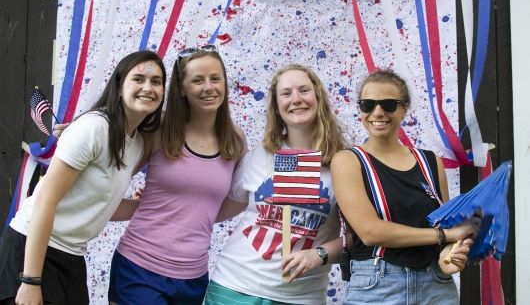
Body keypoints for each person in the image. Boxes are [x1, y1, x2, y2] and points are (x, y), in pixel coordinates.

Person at [0, 50, 166, 305]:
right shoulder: (94, 127)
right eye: (139, 79)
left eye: (156, 82)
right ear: (119, 85)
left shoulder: (136, 144)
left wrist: (144, 205)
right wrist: (31, 280)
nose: (148, 87)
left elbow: (102, 206)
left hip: (71, 257)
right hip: (31, 250)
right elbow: (46, 200)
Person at [106, 45, 246, 305]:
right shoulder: (159, 129)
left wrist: (194, 216)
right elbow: (109, 177)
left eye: (215, 78)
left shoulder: (235, 141)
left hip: (193, 277)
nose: (208, 87)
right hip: (139, 267)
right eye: (198, 80)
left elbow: (238, 199)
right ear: (181, 88)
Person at [330, 69, 479, 304]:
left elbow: (446, 225)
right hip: (377, 286)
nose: (377, 112)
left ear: (404, 109)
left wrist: (449, 254)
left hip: (436, 285)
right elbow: (370, 232)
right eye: (368, 104)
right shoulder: (348, 161)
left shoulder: (431, 162)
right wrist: (445, 236)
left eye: (388, 104)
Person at [204, 64, 345, 305]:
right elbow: (214, 212)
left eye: (304, 90)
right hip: (234, 286)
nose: (296, 99)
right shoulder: (260, 155)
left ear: (318, 97)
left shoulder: (344, 163)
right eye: (286, 93)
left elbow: (361, 239)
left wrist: (319, 254)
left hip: (300, 297)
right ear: (277, 107)